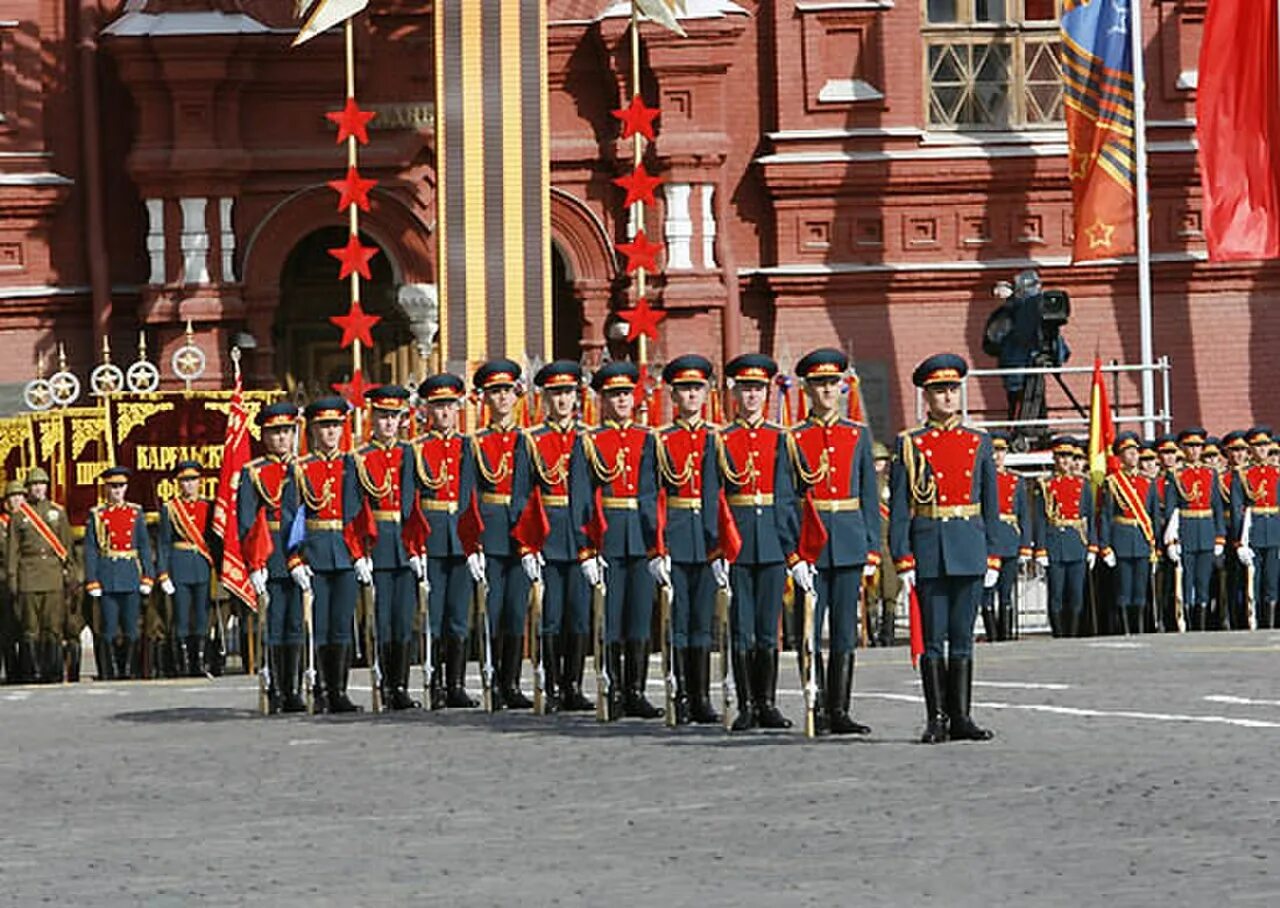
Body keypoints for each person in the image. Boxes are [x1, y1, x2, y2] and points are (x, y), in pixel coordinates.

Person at [889, 353, 998, 744]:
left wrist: (993, 553)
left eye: (953, 390)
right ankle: (936, 717)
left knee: (964, 637)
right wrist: (902, 557)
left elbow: (991, 503)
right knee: (934, 638)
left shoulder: (979, 442)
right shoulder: (910, 444)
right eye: (940, 391)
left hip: (968, 544)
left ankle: (962, 716)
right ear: (926, 397)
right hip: (931, 547)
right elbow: (900, 508)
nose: (948, 397)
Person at [786, 348, 878, 736]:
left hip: (849, 539)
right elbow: (788, 500)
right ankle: (815, 703)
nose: (828, 391)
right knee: (808, 630)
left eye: (833, 383)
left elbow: (869, 495)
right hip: (811, 546)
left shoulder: (856, 435)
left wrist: (872, 548)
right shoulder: (794, 438)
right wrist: (794, 554)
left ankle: (840, 707)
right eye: (820, 384)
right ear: (807, 389)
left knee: (844, 630)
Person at [570, 360, 661, 721]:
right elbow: (580, 498)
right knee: (610, 619)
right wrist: (586, 550)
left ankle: (635, 690)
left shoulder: (647, 439)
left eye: (626, 393)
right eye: (614, 395)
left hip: (639, 539)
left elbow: (654, 495)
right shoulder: (590, 442)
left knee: (639, 617)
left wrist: (658, 546)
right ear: (603, 399)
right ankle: (612, 689)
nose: (622, 400)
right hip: (606, 540)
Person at [717, 353, 797, 731]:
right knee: (742, 627)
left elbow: (785, 495)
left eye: (758, 390)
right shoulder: (722, 439)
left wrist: (790, 546)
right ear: (735, 394)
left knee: (769, 628)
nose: (752, 397)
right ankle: (747, 703)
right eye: (746, 390)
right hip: (736, 542)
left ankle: (768, 702)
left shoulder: (780, 438)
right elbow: (712, 497)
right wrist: (717, 548)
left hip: (771, 543)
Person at [652, 354, 722, 725]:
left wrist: (723, 545)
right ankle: (680, 694)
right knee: (678, 621)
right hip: (677, 536)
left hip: (708, 540)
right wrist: (657, 547)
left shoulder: (717, 437)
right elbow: (654, 497)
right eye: (684, 390)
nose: (691, 396)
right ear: (673, 395)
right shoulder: (661, 440)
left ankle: (702, 696)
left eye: (697, 388)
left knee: (703, 622)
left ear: (707, 393)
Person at [522, 361, 590, 712]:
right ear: (545, 398)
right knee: (550, 615)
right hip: (547, 535)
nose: (562, 401)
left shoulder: (587, 438)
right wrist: (528, 545)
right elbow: (524, 495)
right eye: (555, 394)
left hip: (580, 537)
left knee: (577, 615)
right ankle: (550, 685)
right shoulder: (533, 440)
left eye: (567, 393)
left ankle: (573, 685)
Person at [291, 399, 363, 712]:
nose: (331, 432)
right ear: (313, 430)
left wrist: (363, 553)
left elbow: (359, 512)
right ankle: (320, 689)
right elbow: (292, 516)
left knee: (341, 624)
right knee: (318, 626)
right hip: (316, 553)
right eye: (324, 426)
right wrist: (295, 558)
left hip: (345, 553)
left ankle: (340, 691)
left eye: (335, 426)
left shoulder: (351, 464)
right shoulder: (301, 468)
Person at [470, 359, 534, 710]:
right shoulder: (476, 442)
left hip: (522, 531)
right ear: (486, 399)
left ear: (517, 395)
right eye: (495, 392)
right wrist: (475, 541)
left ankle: (511, 682)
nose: (503, 398)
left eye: (507, 391)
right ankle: (492, 681)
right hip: (491, 533)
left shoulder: (529, 439)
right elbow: (472, 494)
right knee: (492, 610)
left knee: (515, 610)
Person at [413, 373, 478, 709]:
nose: (444, 413)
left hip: (462, 538)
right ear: (427, 410)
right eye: (438, 406)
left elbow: (475, 496)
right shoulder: (417, 449)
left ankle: (456, 683)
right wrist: (416, 546)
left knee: (458, 615)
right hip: (433, 537)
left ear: (458, 408)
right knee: (434, 616)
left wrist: (476, 543)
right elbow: (412, 502)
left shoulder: (469, 446)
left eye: (450, 406)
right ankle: (435, 682)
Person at [353, 386, 419, 710]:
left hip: (405, 546)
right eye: (383, 417)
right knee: (381, 620)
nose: (389, 423)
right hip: (377, 544)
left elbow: (416, 505)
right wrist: (359, 553)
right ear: (372, 419)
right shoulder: (360, 458)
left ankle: (401, 685)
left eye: (394, 417)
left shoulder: (410, 454)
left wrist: (418, 547)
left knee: (403, 619)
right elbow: (355, 510)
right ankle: (384, 685)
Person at [238, 401, 304, 713]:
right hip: (270, 554)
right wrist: (254, 564)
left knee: (296, 624)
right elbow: (247, 521)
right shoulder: (253, 473)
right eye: (275, 433)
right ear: (265, 437)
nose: (281, 439)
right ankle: (277, 688)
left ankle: (295, 689)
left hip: (300, 553)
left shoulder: (303, 468)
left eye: (286, 432)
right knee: (275, 625)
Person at [84, 467, 154, 681]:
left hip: (130, 574)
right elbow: (91, 550)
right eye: (113, 486)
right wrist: (92, 580)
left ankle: (129, 669)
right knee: (109, 628)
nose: (117, 491)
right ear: (106, 488)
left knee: (132, 628)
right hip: (108, 575)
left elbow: (144, 546)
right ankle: (109, 671)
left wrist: (148, 576)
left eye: (121, 486)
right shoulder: (98, 514)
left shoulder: (135, 512)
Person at [6, 469, 74, 683]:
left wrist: (70, 574)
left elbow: (67, 547)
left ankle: (52, 671)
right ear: (28, 489)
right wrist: (12, 579)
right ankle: (31, 671)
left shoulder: (58, 513)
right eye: (34, 484)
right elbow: (12, 552)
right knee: (30, 628)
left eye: (42, 484)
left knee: (52, 626)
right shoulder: (19, 517)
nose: (38, 488)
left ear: (47, 486)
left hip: (52, 575)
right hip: (28, 575)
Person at [1033, 436, 1096, 638]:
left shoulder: (1082, 485)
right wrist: (1041, 548)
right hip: (1055, 543)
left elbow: (1090, 517)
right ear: (1055, 459)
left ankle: (1074, 632)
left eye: (1068, 456)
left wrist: (1093, 546)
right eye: (1061, 456)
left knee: (1076, 593)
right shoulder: (1046, 485)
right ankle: (1058, 634)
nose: (1065, 461)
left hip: (1077, 542)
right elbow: (1041, 519)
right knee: (1057, 594)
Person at [156, 461, 215, 677]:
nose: (189, 485)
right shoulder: (170, 508)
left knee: (201, 616)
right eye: (184, 481)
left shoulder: (208, 506)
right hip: (179, 566)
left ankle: (200, 663)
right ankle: (182, 664)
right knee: (180, 616)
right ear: (178, 483)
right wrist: (163, 573)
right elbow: (163, 543)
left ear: (200, 482)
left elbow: (214, 540)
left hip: (201, 565)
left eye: (192, 480)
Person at [1163, 427, 1225, 632]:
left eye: (1198, 446)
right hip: (1187, 532)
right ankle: (1188, 621)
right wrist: (1171, 540)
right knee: (1187, 580)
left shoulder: (1210, 473)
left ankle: (1203, 622)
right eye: (1190, 446)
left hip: (1206, 531)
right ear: (1183, 448)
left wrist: (1219, 537)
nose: (1195, 450)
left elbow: (1216, 506)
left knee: (1203, 580)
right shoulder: (1176, 475)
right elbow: (1172, 510)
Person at [1098, 432, 1161, 635]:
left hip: (1142, 541)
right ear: (1120, 456)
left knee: (1140, 589)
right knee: (1123, 590)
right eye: (1128, 453)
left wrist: (1155, 546)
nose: (1133, 456)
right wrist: (1105, 546)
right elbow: (1106, 516)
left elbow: (1153, 516)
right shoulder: (1113, 482)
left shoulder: (1148, 483)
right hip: (1122, 540)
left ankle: (1140, 628)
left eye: (1135, 452)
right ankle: (1125, 628)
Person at [1233, 426, 1279, 629]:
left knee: (1272, 579)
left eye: (1265, 445)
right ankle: (1255, 621)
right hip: (1253, 532)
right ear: (1250, 449)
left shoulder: (1276, 473)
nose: (1262, 449)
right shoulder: (1243, 475)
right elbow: (1237, 511)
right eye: (1257, 446)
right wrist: (1238, 542)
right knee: (1254, 580)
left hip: (1275, 530)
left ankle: (1270, 622)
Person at [987, 432, 1031, 641]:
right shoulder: (982, 479)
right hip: (988, 541)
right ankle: (992, 634)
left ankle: (1005, 634)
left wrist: (1025, 547)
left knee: (1006, 593)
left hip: (1010, 539)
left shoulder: (1016, 480)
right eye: (994, 451)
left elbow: (1024, 515)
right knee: (986, 594)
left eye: (1001, 451)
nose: (997, 456)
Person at [870, 442, 901, 647]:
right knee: (871, 592)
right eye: (875, 461)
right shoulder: (864, 486)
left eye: (882, 461)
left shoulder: (891, 484)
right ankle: (871, 631)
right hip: (872, 545)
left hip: (889, 545)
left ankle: (888, 631)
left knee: (890, 591)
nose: (879, 465)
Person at [0, 479, 24, 682]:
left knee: (25, 627)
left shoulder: (30, 523)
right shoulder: (2, 523)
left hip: (26, 580)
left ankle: (24, 671)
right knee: (5, 630)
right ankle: (11, 672)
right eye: (12, 497)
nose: (16, 501)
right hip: (2, 583)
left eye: (19, 497)